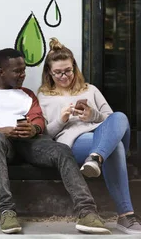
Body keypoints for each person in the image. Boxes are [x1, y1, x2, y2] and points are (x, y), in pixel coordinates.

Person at [0, 48, 109, 234]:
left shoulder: (28, 94)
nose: (23, 75)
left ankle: (87, 211)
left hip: (30, 142)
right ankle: (6, 211)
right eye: (17, 71)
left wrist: (33, 128)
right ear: (1, 72)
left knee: (61, 150)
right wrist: (0, 130)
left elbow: (38, 120)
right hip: (1, 143)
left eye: (24, 70)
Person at [38, 38, 141, 234]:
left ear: (74, 67)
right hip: (74, 141)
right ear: (49, 73)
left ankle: (96, 158)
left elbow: (114, 121)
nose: (64, 76)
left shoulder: (90, 89)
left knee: (120, 116)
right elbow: (45, 135)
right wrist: (62, 119)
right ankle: (126, 216)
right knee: (116, 147)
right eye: (57, 72)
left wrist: (92, 115)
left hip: (102, 135)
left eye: (68, 70)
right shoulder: (43, 97)